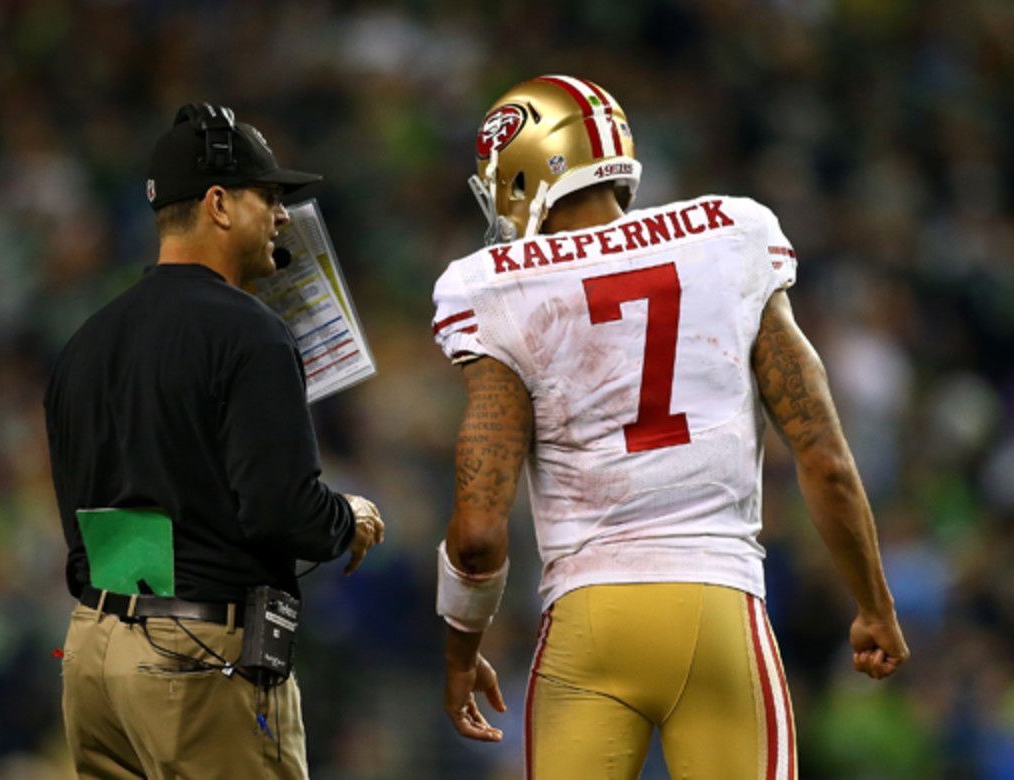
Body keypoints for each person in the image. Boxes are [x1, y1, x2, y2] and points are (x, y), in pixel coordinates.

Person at [431, 75, 909, 779]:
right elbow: (825, 457)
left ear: (526, 172)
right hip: (717, 607)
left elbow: (476, 536)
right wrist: (873, 605)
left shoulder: (493, 285)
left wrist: (461, 655)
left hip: (584, 624)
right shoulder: (731, 235)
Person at [44, 102, 385, 780]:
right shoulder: (250, 331)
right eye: (270, 197)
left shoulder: (86, 342)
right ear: (220, 204)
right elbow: (280, 508)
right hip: (199, 658)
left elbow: (95, 520)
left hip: (95, 653)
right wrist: (348, 519)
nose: (284, 216)